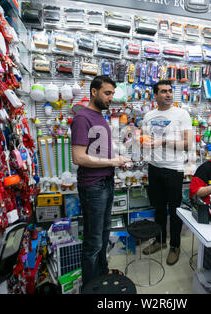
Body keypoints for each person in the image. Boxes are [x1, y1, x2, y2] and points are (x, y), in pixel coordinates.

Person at [71, 75, 128, 288]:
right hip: (93, 186)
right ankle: (91, 287)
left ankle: (102, 278)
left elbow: (98, 153)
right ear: (94, 92)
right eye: (107, 93)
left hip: (106, 182)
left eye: (112, 93)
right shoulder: (82, 118)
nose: (110, 98)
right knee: (93, 242)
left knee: (104, 236)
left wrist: (115, 163)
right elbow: (79, 157)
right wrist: (113, 161)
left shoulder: (101, 118)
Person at [141, 80, 193, 266]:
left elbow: (188, 144)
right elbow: (145, 138)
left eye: (170, 91)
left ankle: (175, 245)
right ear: (155, 95)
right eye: (163, 91)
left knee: (175, 209)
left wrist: (163, 142)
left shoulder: (182, 114)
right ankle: (160, 241)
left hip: (173, 168)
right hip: (154, 167)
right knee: (159, 208)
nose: (168, 94)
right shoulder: (148, 115)